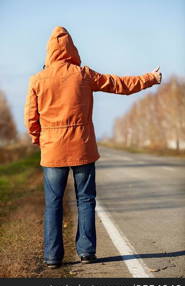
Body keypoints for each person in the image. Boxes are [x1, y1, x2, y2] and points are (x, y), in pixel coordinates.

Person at [24, 26, 162, 269]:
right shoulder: (83, 75)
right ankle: (87, 252)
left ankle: (52, 257)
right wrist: (150, 78)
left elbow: (30, 119)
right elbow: (118, 84)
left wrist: (41, 140)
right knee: (85, 199)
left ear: (49, 51)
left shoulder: (37, 80)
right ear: (71, 49)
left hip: (52, 150)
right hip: (82, 149)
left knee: (53, 203)